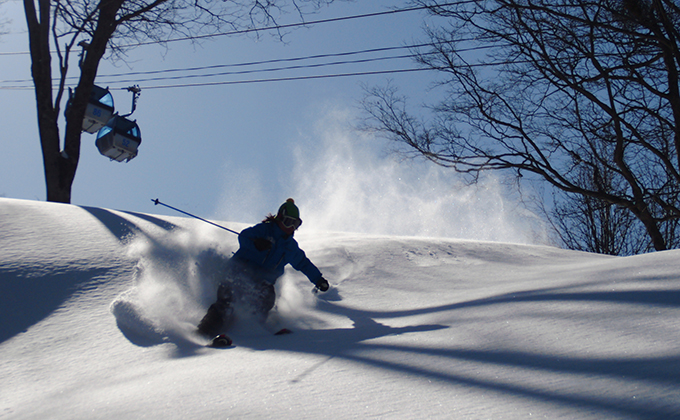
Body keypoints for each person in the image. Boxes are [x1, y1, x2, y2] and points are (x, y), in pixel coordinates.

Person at [198, 198, 330, 336]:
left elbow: (303, 263)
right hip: (239, 272)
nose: (291, 227)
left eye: (295, 224)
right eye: (288, 222)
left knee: (266, 299)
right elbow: (244, 236)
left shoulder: (290, 246)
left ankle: (251, 331)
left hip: (262, 283)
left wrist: (318, 279)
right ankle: (205, 331)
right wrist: (256, 243)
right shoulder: (264, 230)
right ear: (279, 219)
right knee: (228, 299)